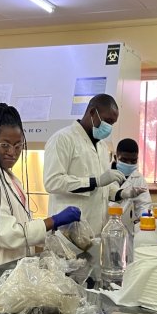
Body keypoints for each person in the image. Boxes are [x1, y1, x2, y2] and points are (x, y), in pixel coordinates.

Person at [0, 103, 81, 271]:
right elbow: (6, 234)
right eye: (5, 145)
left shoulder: (9, 177)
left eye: (18, 145)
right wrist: (52, 221)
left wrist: (54, 229)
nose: (12, 152)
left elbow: (20, 226)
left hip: (9, 270)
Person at [43, 94, 126, 236]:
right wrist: (94, 181)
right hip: (68, 233)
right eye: (108, 121)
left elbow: (102, 188)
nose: (109, 127)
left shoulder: (102, 147)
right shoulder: (62, 139)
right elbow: (52, 182)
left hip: (96, 232)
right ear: (92, 112)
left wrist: (120, 193)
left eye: (113, 123)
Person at [112, 138, 152, 236]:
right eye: (124, 160)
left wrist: (145, 218)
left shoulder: (138, 178)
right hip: (105, 229)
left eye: (133, 161)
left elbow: (144, 205)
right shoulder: (104, 175)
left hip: (127, 232)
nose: (129, 164)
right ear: (115, 157)